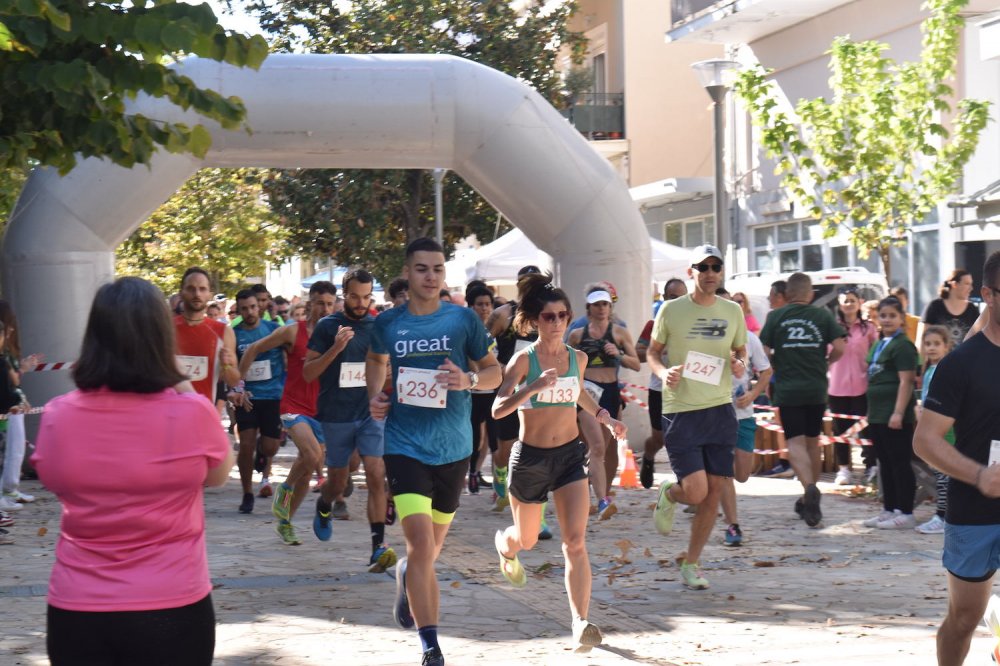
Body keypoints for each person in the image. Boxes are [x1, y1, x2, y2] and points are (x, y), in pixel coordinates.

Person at [32, 277, 233, 666]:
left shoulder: (59, 415)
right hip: (173, 603)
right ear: (161, 336)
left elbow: (51, 477)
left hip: (78, 607)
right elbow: (218, 474)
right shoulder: (191, 413)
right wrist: (180, 381)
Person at [366, 238, 501, 666]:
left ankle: (407, 574)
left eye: (438, 269)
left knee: (428, 553)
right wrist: (376, 396)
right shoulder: (389, 323)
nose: (430, 276)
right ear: (408, 273)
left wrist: (470, 382)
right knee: (422, 546)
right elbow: (375, 360)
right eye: (422, 269)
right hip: (405, 447)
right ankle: (431, 646)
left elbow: (494, 372)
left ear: (445, 274)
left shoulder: (462, 321)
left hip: (454, 449)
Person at [491, 271, 626, 651]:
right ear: (535, 320)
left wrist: (606, 418)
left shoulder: (577, 358)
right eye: (549, 316)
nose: (557, 323)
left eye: (563, 315)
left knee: (575, 542)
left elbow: (579, 393)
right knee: (529, 540)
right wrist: (532, 387)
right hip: (530, 458)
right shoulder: (523, 360)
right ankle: (506, 545)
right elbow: (499, 409)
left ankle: (580, 621)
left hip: (568, 456)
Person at [913, 250, 1000, 666]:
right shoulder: (961, 363)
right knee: (964, 617)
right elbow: (926, 441)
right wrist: (980, 475)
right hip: (975, 507)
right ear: (987, 294)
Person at [647, 244, 747, 590]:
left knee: (714, 492)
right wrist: (661, 373)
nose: (709, 273)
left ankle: (692, 563)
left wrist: (740, 364)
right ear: (691, 271)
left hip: (720, 410)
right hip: (681, 410)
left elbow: (740, 350)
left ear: (721, 272)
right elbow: (653, 351)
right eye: (702, 267)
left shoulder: (732, 310)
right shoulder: (671, 310)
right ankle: (670, 494)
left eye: (714, 267)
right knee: (695, 490)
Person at [305, 269, 398, 573]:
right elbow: (308, 372)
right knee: (339, 481)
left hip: (370, 412)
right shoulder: (327, 326)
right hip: (336, 413)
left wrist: (388, 375)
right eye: (355, 296)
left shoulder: (379, 325)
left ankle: (377, 546)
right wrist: (336, 348)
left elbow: (390, 366)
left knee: (375, 471)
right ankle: (324, 504)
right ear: (344, 293)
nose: (361, 303)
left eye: (366, 296)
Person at [237, 281, 338, 546]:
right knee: (313, 455)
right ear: (309, 304)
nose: (325, 308)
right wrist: (239, 385)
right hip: (293, 407)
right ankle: (286, 488)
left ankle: (285, 522)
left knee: (306, 470)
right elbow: (253, 349)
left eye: (330, 303)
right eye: (320, 303)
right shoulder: (293, 332)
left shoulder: (340, 335)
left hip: (323, 411)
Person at [759, 272, 846, 527]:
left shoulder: (776, 316)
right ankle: (810, 495)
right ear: (810, 294)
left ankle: (809, 488)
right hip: (816, 388)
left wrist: (776, 365)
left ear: (786, 295)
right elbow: (840, 347)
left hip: (788, 389)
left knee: (794, 442)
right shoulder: (822, 315)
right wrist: (826, 363)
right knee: (812, 443)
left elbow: (763, 351)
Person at [567, 285, 640, 519]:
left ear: (610, 307)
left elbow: (636, 363)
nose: (601, 309)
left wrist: (617, 354)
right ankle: (600, 500)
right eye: (597, 304)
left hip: (610, 392)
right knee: (596, 447)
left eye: (605, 304)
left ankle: (597, 494)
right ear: (589, 308)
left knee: (604, 449)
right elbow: (565, 363)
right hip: (587, 392)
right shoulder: (578, 334)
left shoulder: (619, 332)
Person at [716, 289, 772, 546]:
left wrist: (752, 394)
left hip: (743, 415)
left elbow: (766, 372)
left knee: (742, 474)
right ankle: (732, 525)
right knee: (724, 473)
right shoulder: (709, 341)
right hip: (716, 414)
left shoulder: (750, 339)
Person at [485, 265, 542, 514]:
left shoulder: (545, 316)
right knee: (506, 448)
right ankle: (499, 471)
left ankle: (530, 501)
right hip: (508, 387)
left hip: (536, 389)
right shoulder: (503, 315)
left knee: (534, 445)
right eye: (526, 283)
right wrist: (497, 366)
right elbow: (481, 345)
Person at [861, 297, 919, 529]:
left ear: (901, 319)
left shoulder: (903, 345)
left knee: (899, 462)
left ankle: (905, 511)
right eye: (883, 315)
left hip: (894, 414)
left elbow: (906, 381)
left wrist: (898, 412)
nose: (887, 320)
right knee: (883, 461)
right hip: (877, 413)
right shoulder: (879, 343)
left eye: (892, 316)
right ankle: (889, 508)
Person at [231, 288, 286, 513]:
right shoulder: (233, 334)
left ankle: (263, 456)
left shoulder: (274, 330)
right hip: (248, 397)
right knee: (246, 444)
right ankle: (247, 494)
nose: (250, 312)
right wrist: (234, 390)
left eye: (253, 307)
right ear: (238, 310)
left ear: (260, 307)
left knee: (270, 447)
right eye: (244, 308)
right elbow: (230, 366)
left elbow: (290, 354)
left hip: (272, 395)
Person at [635, 278, 688, 489]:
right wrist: (659, 350)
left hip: (686, 390)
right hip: (659, 388)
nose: (678, 302)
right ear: (665, 299)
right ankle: (648, 456)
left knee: (682, 436)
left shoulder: (692, 325)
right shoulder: (654, 325)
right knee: (660, 439)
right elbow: (638, 353)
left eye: (682, 298)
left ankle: (685, 481)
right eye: (673, 297)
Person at [828, 287, 879, 486]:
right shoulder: (832, 328)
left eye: (852, 300)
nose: (848, 304)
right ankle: (843, 469)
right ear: (839, 304)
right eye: (845, 300)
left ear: (859, 302)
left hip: (862, 385)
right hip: (837, 386)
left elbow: (876, 354)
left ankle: (871, 466)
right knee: (840, 430)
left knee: (866, 430)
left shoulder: (869, 328)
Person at [174, 267, 240, 404]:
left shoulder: (223, 332)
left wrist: (226, 365)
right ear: (181, 293)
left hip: (203, 414)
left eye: (202, 289)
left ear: (209, 294)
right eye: (191, 288)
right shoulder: (165, 329)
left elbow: (234, 381)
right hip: (168, 415)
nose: (197, 294)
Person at [914, 325, 954, 535]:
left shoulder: (947, 369)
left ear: (947, 346)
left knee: (946, 476)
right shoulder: (929, 370)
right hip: (932, 431)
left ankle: (944, 516)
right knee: (940, 475)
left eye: (937, 344)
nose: (931, 348)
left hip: (946, 433)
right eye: (927, 344)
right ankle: (943, 514)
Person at [0, 300, 40, 510]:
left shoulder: (7, 351)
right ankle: (6, 490)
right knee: (9, 450)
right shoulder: (4, 354)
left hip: (13, 406)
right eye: (9, 324)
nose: (13, 329)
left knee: (14, 449)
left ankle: (10, 488)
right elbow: (12, 380)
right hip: (8, 407)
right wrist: (22, 369)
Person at [466, 285, 498, 495]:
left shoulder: (495, 330)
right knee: (475, 438)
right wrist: (479, 376)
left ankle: (497, 482)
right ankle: (471, 474)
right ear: (471, 306)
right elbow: (472, 362)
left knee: (494, 438)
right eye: (480, 304)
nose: (484, 308)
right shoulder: (467, 329)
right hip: (472, 393)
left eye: (487, 304)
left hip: (493, 392)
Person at [920, 269, 979, 348]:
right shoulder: (934, 307)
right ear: (954, 284)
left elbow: (979, 339)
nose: (971, 288)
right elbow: (921, 339)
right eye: (967, 284)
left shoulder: (972, 310)